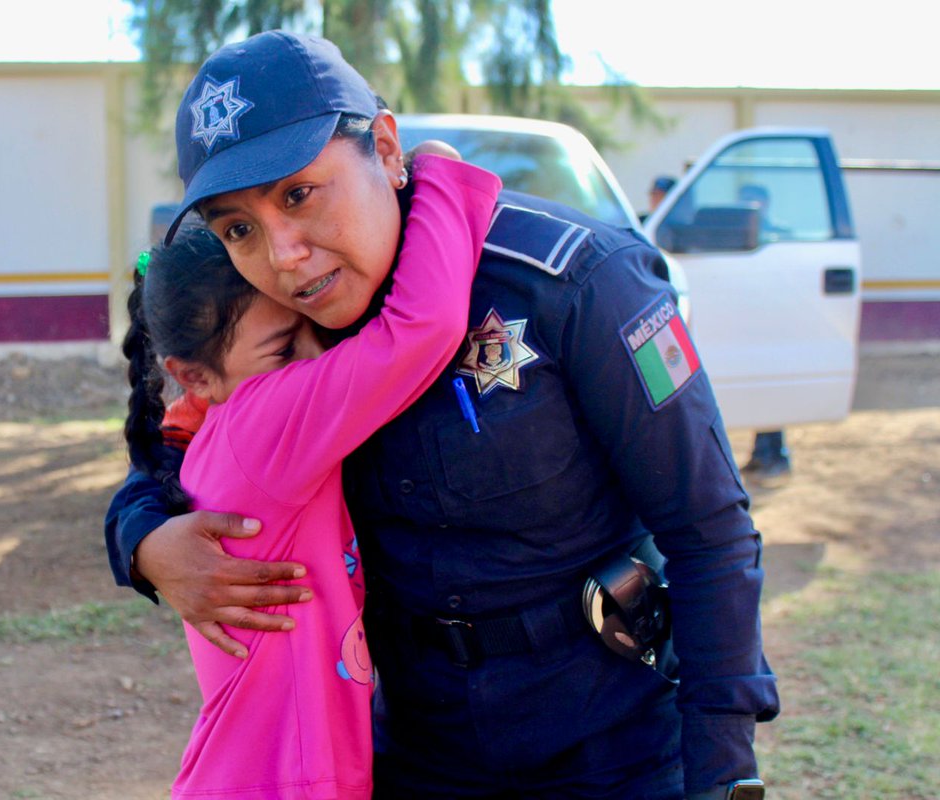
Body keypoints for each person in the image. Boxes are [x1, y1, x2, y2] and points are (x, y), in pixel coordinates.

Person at [105, 31, 779, 800]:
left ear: (387, 150)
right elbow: (178, 449)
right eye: (239, 230)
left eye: (299, 194)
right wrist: (144, 542)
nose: (283, 254)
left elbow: (708, 528)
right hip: (418, 754)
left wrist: (723, 773)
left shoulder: (580, 282)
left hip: (612, 747)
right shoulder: (287, 328)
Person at [125, 155, 498, 798]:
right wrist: (437, 174)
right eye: (283, 349)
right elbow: (425, 326)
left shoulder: (229, 425)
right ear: (194, 378)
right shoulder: (264, 424)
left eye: (313, 333)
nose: (321, 356)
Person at [736, 183, 792, 484]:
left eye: (753, 201)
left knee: (771, 389)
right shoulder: (736, 236)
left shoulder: (778, 235)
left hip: (773, 323)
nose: (748, 207)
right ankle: (761, 454)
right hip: (748, 323)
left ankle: (777, 455)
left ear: (766, 203)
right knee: (758, 390)